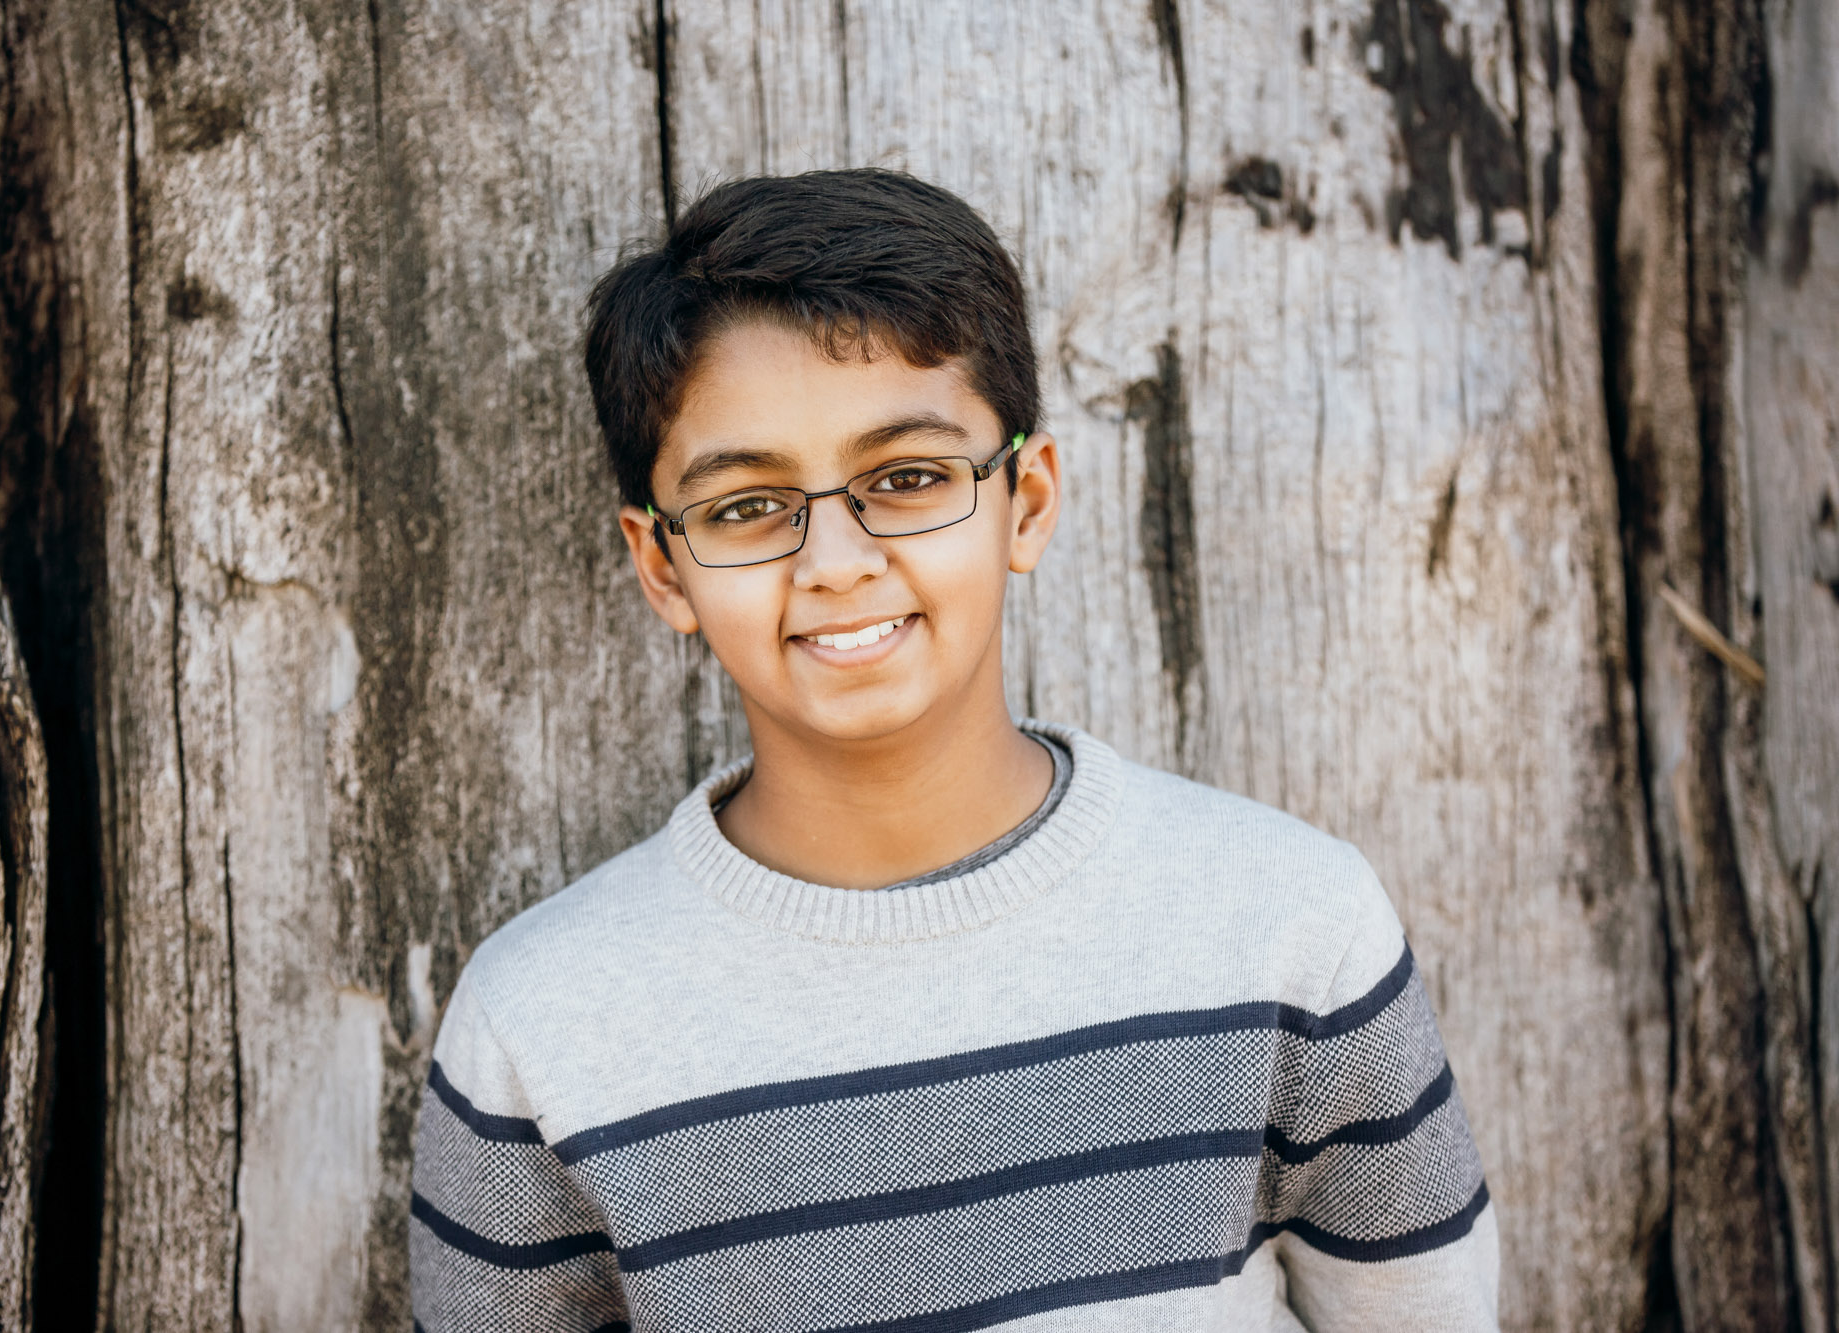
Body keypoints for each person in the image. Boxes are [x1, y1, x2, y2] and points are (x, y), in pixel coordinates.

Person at [408, 168, 1498, 1332]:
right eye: (745, 506)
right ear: (662, 564)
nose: (834, 559)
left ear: (1025, 499)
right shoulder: (543, 1024)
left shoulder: (1287, 927)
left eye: (909, 478)